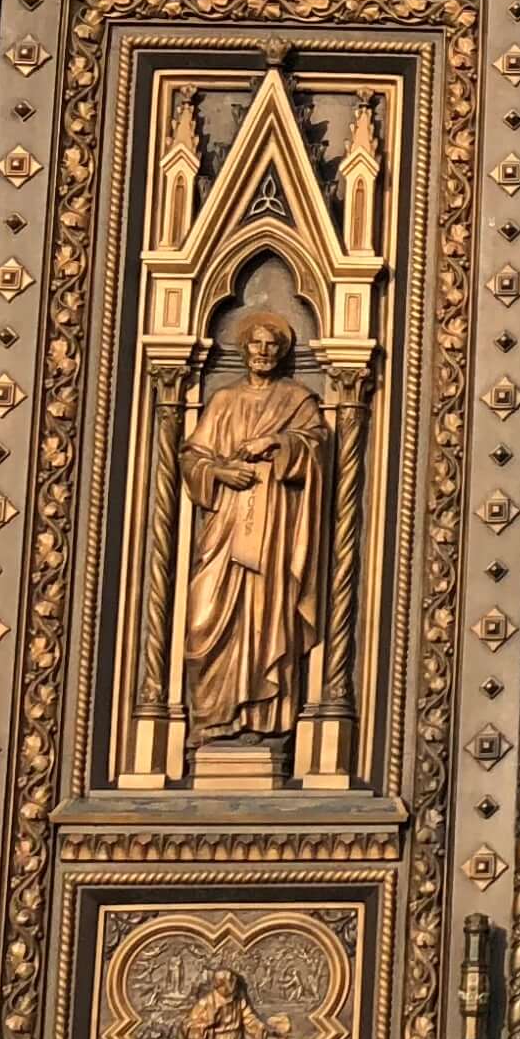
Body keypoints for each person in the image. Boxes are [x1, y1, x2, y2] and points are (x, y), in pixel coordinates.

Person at [182, 317, 330, 745]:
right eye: (256, 345)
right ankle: (213, 716)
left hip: (275, 531)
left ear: (282, 352)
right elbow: (192, 459)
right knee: (202, 618)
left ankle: (262, 719)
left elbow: (317, 447)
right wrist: (219, 471)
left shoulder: (297, 399)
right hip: (226, 529)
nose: (263, 352)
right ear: (244, 350)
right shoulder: (224, 401)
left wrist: (278, 443)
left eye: (271, 345)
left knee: (267, 617)